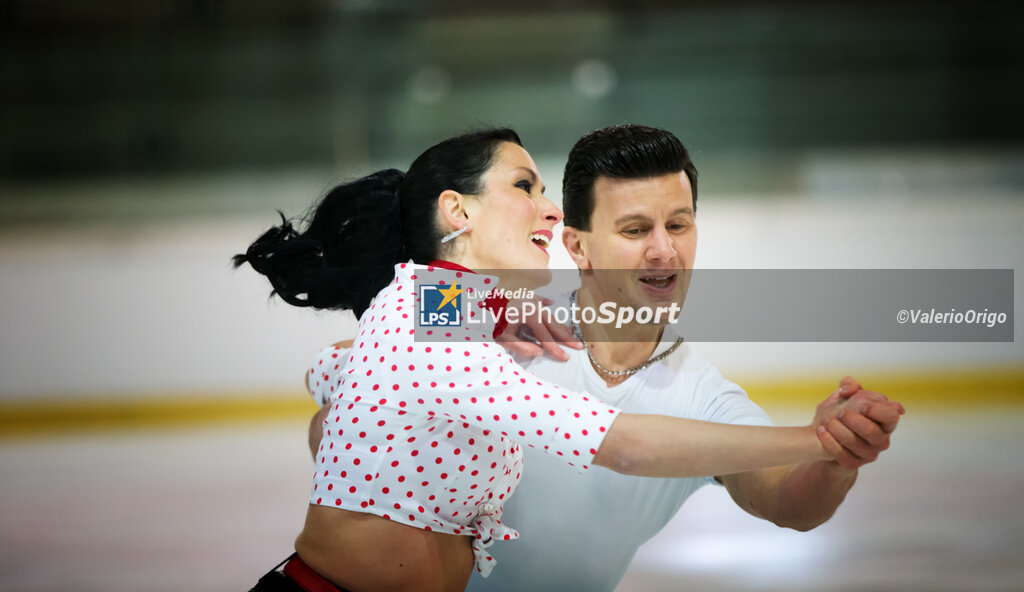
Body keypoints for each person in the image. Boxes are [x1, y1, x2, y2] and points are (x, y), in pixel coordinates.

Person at [238, 128, 895, 592]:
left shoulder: (701, 393)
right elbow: (346, 387)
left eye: (680, 225)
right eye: (636, 230)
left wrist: (833, 456)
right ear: (577, 247)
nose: (663, 251)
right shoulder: (472, 314)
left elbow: (788, 502)